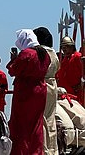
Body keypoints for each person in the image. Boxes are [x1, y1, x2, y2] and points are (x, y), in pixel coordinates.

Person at [7, 29, 50, 155]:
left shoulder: (26, 53)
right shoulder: (44, 54)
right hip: (40, 91)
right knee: (36, 124)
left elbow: (13, 70)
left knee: (21, 125)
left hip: (25, 91)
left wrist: (13, 59)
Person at [34, 27, 60, 155]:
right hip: (52, 86)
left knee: (41, 119)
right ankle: (53, 149)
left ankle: (44, 149)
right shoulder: (54, 53)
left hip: (42, 85)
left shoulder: (41, 52)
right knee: (50, 120)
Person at [56, 36, 83, 104]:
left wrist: (81, 84)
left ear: (72, 47)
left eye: (67, 46)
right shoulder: (64, 60)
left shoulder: (78, 57)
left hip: (77, 95)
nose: (64, 49)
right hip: (66, 95)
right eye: (63, 47)